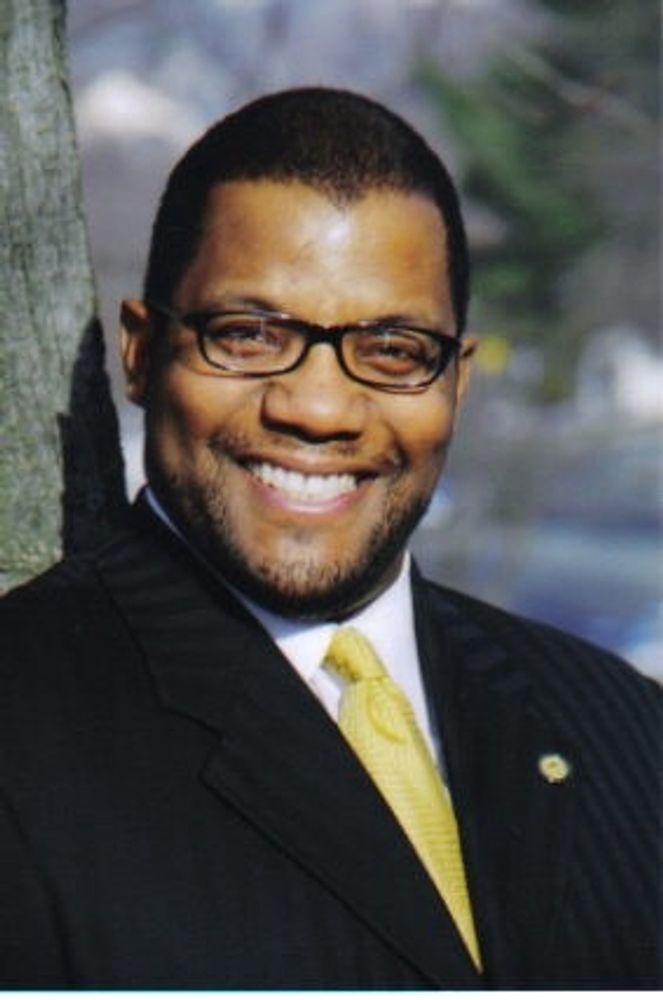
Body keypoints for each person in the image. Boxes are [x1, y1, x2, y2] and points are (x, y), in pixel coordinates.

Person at [1, 87, 660, 990]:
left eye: (392, 349)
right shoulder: (24, 728)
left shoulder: (623, 732)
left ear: (455, 383)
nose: (317, 408)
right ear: (142, 353)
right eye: (249, 335)